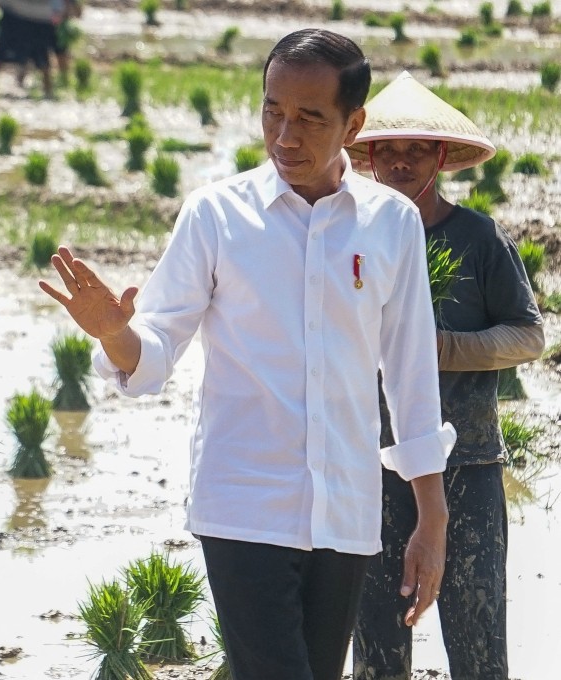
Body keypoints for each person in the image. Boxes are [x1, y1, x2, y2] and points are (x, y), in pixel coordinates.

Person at [40, 29, 455, 680]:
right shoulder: (216, 216)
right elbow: (154, 349)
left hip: (346, 510)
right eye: (273, 111)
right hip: (243, 507)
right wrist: (111, 332)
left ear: (354, 124)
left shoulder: (390, 223)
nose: (285, 136)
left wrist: (432, 514)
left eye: (310, 118)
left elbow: (410, 373)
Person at [348, 71, 544, 680]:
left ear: (441, 157)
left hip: (469, 462)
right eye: (389, 150)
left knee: (478, 636)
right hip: (373, 463)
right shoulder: (351, 236)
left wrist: (437, 348)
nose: (401, 162)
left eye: (416, 150)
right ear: (370, 157)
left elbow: (529, 335)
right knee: (376, 640)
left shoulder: (479, 238)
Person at [0, 0, 64, 99]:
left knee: (42, 56)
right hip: (20, 12)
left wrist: (57, 11)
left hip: (37, 16)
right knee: (2, 53)